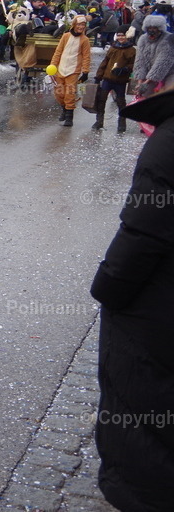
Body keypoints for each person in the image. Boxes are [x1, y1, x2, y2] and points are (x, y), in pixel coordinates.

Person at [90, 84, 174, 511]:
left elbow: (143, 230)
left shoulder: (170, 139)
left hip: (154, 314)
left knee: (144, 414)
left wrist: (107, 288)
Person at [49, 14, 91, 127]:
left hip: (73, 71)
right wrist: (53, 66)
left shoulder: (85, 40)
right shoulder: (65, 36)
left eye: (83, 24)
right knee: (59, 93)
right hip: (60, 69)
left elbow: (86, 57)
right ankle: (64, 108)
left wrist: (85, 71)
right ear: (74, 24)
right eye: (79, 24)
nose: (81, 27)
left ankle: (69, 117)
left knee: (69, 93)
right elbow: (58, 52)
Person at [92, 25, 135, 132]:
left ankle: (122, 123)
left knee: (121, 102)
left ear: (128, 36)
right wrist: (98, 76)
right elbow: (105, 62)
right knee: (101, 100)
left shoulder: (131, 50)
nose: (121, 37)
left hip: (120, 81)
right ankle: (99, 121)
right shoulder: (113, 48)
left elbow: (134, 64)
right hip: (108, 79)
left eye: (123, 35)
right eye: (119, 35)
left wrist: (125, 69)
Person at [132, 14, 174, 98]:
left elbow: (162, 63)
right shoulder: (142, 39)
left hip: (170, 72)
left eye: (154, 28)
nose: (151, 31)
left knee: (169, 94)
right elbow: (140, 61)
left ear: (160, 29)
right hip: (149, 71)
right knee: (145, 95)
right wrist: (140, 83)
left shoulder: (168, 39)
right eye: (149, 28)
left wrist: (146, 82)